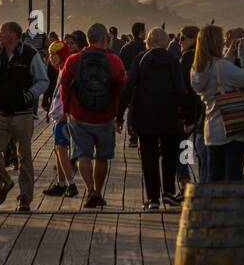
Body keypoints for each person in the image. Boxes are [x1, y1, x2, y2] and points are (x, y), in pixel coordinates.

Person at [118, 28, 196, 209]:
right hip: (169, 117)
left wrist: (119, 116)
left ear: (148, 41)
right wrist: (188, 115)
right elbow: (181, 90)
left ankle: (153, 199)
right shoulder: (172, 60)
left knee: (149, 157)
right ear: (165, 42)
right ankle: (168, 192)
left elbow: (128, 88)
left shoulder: (141, 59)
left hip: (144, 117)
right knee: (169, 155)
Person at [57, 22, 127, 208]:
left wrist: (65, 110)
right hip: (105, 116)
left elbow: (64, 85)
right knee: (102, 157)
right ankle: (98, 190)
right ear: (105, 39)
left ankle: (90, 190)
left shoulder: (73, 60)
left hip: (78, 115)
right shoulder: (114, 61)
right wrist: (118, 115)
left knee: (83, 154)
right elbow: (122, 89)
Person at [0, 21, 49, 212]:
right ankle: (5, 182)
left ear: (13, 34)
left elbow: (43, 80)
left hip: (22, 113)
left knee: (25, 156)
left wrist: (29, 95)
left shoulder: (30, 54)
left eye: (1, 32)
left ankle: (25, 198)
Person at [189, 24, 244, 181]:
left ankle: (215, 205)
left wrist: (230, 54)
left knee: (215, 180)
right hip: (232, 131)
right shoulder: (221, 67)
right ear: (215, 42)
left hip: (211, 133)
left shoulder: (196, 70)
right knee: (233, 180)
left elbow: (217, 71)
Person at [42, 40, 78, 197]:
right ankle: (61, 183)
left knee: (61, 150)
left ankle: (71, 184)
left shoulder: (66, 70)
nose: (51, 58)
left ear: (62, 55)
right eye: (49, 54)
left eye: (53, 54)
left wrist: (65, 114)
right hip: (59, 116)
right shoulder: (61, 69)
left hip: (63, 117)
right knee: (57, 150)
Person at [176, 25, 203, 184]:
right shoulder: (204, 56)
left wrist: (187, 117)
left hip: (189, 112)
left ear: (194, 39)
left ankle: (185, 181)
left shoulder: (187, 58)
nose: (179, 41)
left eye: (182, 38)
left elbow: (184, 88)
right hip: (203, 110)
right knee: (200, 150)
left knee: (183, 146)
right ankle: (203, 183)